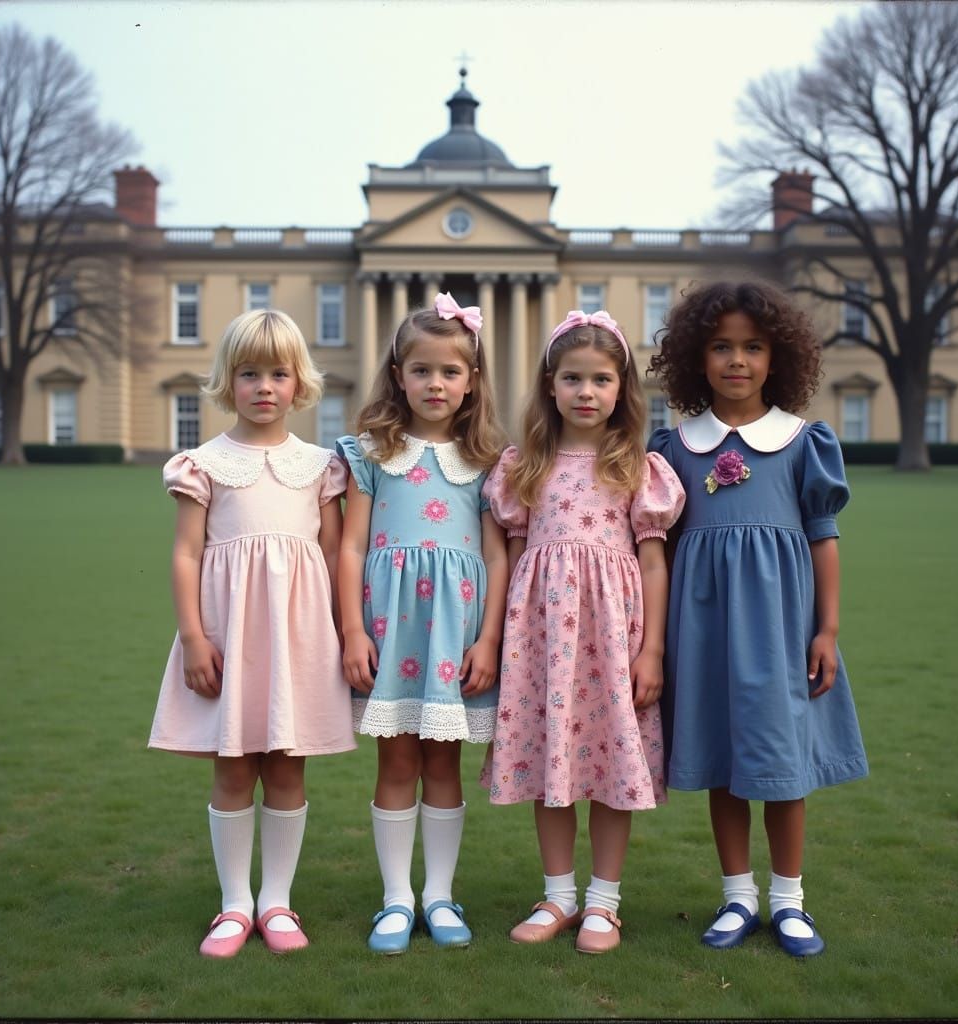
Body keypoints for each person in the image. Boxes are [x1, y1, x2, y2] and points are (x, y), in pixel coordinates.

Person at [647, 279, 868, 957]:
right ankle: (738, 895)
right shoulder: (676, 447)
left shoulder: (803, 442)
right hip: (703, 631)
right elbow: (658, 550)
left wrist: (826, 630)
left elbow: (822, 538)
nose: (736, 360)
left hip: (779, 631)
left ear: (779, 359)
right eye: (720, 346)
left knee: (781, 763)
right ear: (695, 357)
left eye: (752, 347)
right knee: (723, 759)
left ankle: (790, 902)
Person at [149, 309, 355, 958]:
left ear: (300, 384)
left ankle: (278, 902)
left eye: (278, 373)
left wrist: (342, 634)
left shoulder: (320, 465)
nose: (264, 386)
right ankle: (235, 903)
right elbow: (186, 554)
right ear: (226, 381)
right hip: (227, 636)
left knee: (287, 766)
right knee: (234, 766)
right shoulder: (203, 464)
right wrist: (193, 638)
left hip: (298, 640)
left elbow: (331, 552)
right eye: (249, 373)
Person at [483, 310, 685, 954]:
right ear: (550, 385)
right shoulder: (524, 467)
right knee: (553, 766)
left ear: (622, 389)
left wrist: (651, 650)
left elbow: (654, 561)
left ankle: (604, 902)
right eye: (572, 379)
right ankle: (558, 895)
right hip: (544, 639)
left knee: (610, 760)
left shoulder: (637, 468)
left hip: (613, 636)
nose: (586, 393)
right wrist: (502, 640)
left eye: (601, 380)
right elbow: (512, 559)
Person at [337, 292, 508, 954]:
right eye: (421, 370)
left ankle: (438, 893)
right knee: (396, 759)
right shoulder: (371, 454)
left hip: (456, 634)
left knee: (444, 760)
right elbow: (350, 547)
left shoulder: (489, 459)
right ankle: (395, 898)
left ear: (470, 383)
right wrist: (353, 630)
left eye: (450, 372)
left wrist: (488, 639)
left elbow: (497, 552)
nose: (435, 384)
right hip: (391, 629)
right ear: (398, 375)